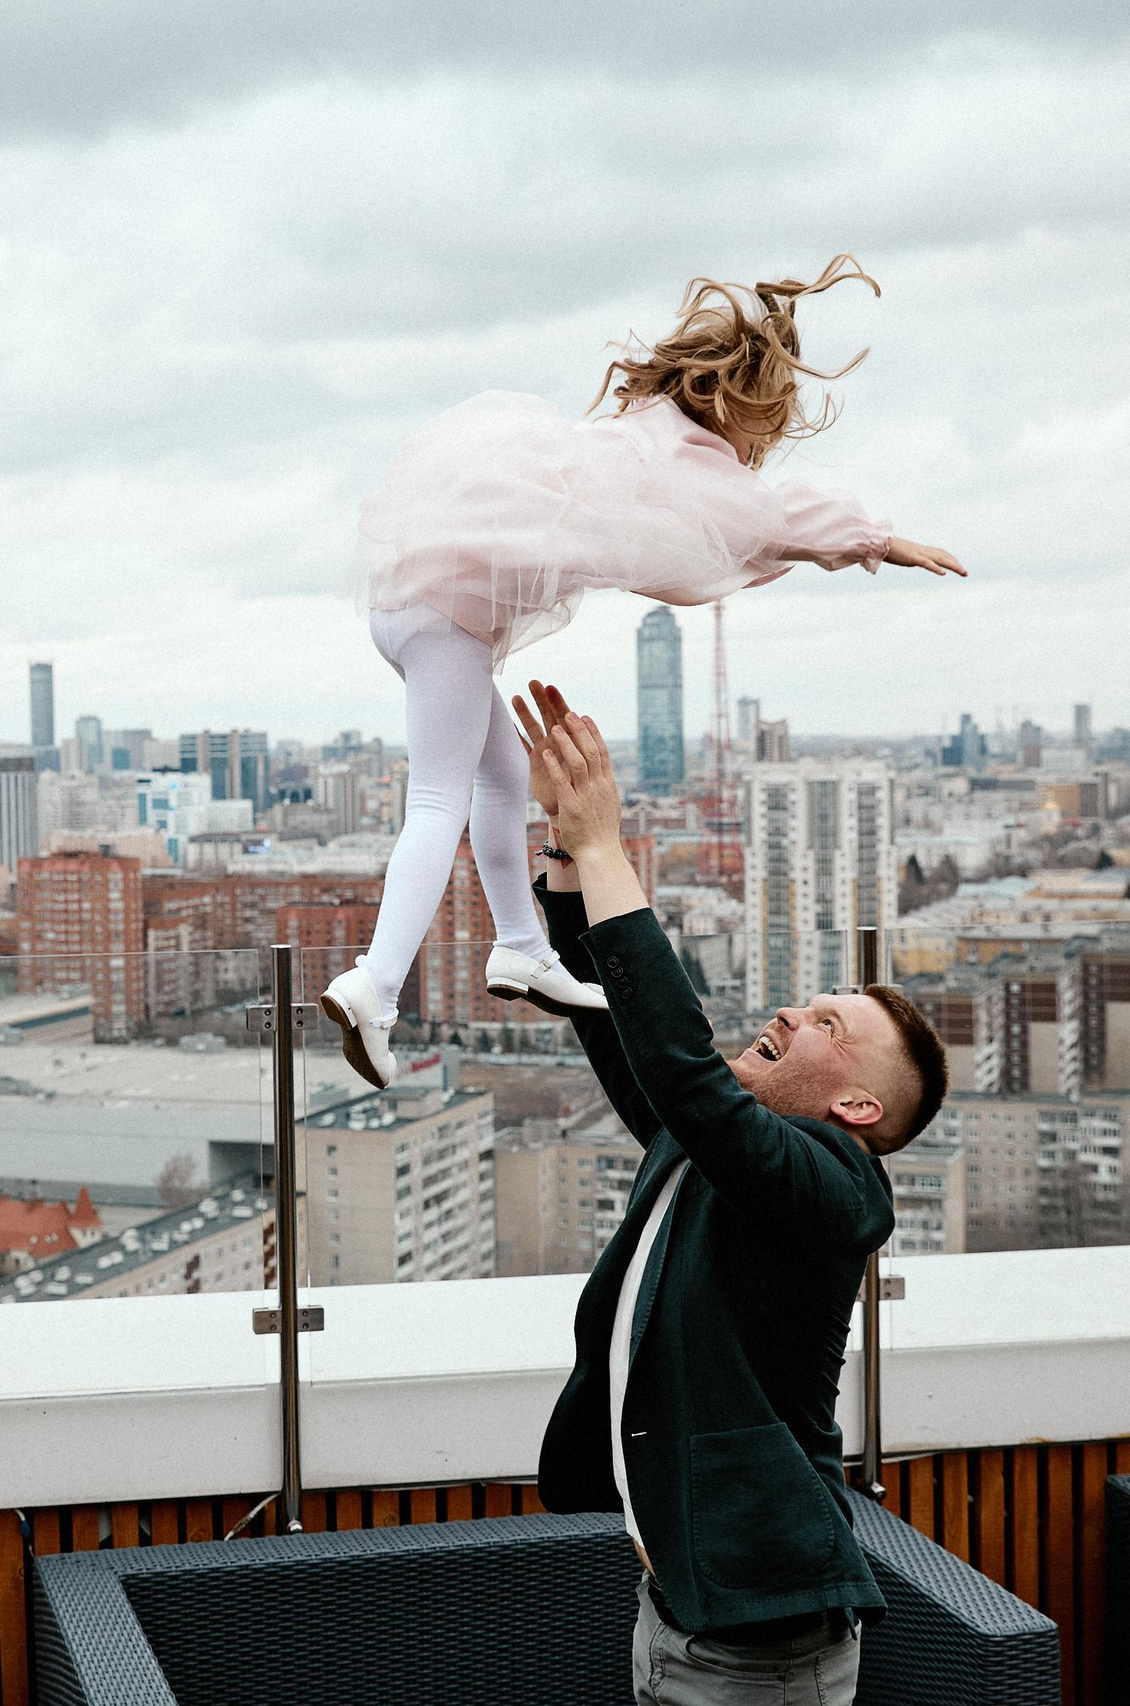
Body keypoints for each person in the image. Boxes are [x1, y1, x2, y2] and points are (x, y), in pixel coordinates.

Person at [321, 256, 964, 1090]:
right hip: (441, 614)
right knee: (440, 801)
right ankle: (376, 986)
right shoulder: (691, 464)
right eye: (761, 438)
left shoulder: (642, 430)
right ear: (743, 412)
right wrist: (881, 540)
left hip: (418, 608)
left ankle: (521, 946)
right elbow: (779, 515)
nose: (756, 457)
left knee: (503, 778)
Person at [515, 683, 952, 1706]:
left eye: (828, 1023)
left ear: (853, 1102)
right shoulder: (719, 1155)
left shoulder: (837, 1185)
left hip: (766, 1640)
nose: (795, 1010)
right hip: (683, 1614)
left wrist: (613, 847)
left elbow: (681, 1068)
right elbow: (634, 1042)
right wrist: (568, 857)